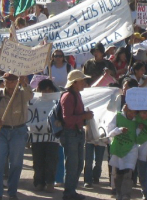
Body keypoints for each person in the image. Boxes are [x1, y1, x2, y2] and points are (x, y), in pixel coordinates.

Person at [0, 73, 34, 200]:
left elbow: (30, 95)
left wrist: (25, 84)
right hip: (2, 130)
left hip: (18, 131)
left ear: (17, 82)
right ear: (3, 81)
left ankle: (12, 192)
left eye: (12, 81)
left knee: (16, 163)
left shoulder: (22, 94)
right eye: (7, 81)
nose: (9, 84)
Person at [60, 70, 93, 200]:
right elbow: (67, 119)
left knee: (78, 164)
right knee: (72, 164)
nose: (84, 83)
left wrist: (84, 116)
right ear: (75, 83)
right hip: (71, 133)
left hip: (76, 133)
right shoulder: (68, 96)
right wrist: (84, 116)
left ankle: (71, 190)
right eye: (82, 80)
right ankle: (68, 193)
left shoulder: (76, 95)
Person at [32, 80, 59, 192]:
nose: (47, 92)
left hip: (52, 138)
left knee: (51, 161)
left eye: (49, 89)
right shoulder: (33, 101)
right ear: (39, 90)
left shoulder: (57, 101)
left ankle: (50, 182)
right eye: (44, 89)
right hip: (37, 137)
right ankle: (39, 182)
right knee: (38, 161)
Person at [107, 104, 138, 200]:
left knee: (128, 172)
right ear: (126, 109)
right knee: (118, 173)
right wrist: (119, 130)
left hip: (131, 150)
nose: (132, 114)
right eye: (130, 112)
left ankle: (126, 195)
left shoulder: (137, 121)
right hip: (118, 149)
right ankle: (119, 193)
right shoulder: (118, 117)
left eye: (134, 113)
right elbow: (109, 132)